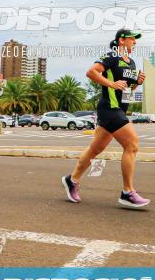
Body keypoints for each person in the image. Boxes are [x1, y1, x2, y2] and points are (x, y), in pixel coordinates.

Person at [61, 29, 149, 208]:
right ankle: (127, 192)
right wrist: (111, 83)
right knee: (132, 144)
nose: (135, 42)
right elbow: (91, 72)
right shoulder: (111, 56)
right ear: (122, 40)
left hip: (120, 109)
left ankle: (72, 180)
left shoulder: (131, 63)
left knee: (95, 150)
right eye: (132, 39)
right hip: (109, 108)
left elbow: (126, 90)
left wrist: (137, 84)